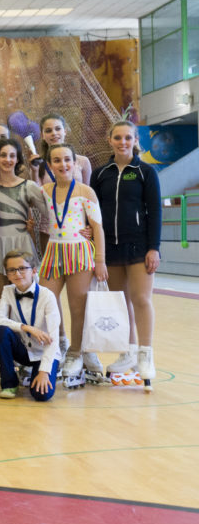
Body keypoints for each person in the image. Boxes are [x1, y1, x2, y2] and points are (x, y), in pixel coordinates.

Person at [91, 120, 162, 388]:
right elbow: (93, 213)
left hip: (139, 246)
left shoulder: (145, 172)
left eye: (128, 138)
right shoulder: (100, 174)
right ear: (110, 140)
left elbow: (154, 211)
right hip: (110, 248)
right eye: (118, 137)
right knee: (120, 303)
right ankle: (128, 351)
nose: (123, 142)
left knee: (141, 299)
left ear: (135, 141)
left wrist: (154, 247)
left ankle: (145, 354)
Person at [39, 143, 107, 388]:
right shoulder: (44, 190)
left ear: (75, 163)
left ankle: (76, 353)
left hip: (79, 253)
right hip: (53, 252)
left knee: (78, 307)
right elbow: (40, 221)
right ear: (50, 165)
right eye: (56, 160)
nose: (63, 164)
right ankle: (58, 345)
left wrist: (100, 261)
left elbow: (97, 227)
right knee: (45, 302)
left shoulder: (86, 191)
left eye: (67, 159)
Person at [0, 139, 47, 309]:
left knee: (26, 297)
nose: (7, 159)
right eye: (3, 155)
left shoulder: (29, 186)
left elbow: (49, 211)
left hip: (22, 242)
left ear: (18, 159)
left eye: (12, 155)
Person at [0, 251, 61, 401]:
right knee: (0, 332)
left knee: (42, 395)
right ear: (8, 274)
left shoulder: (47, 296)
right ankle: (9, 383)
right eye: (12, 270)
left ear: (34, 271)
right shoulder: (8, 291)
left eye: (22, 268)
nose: (17, 273)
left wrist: (44, 371)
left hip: (44, 352)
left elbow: (54, 337)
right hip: (23, 349)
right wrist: (26, 327)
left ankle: (49, 370)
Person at [34, 112, 92, 185]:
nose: (54, 133)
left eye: (58, 129)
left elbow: (87, 192)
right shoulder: (38, 164)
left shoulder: (83, 161)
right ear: (42, 135)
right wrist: (34, 171)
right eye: (48, 131)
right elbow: (37, 194)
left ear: (65, 131)